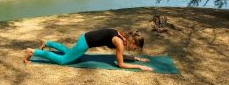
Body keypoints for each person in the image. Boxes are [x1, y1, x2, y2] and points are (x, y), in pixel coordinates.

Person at [24, 28, 153, 71]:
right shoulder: (119, 43)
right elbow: (120, 64)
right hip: (86, 42)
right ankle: (33, 51)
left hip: (86, 37)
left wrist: (137, 59)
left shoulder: (122, 36)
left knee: (69, 52)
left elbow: (121, 56)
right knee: (63, 60)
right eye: (135, 48)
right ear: (132, 41)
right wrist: (139, 67)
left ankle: (48, 42)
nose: (134, 49)